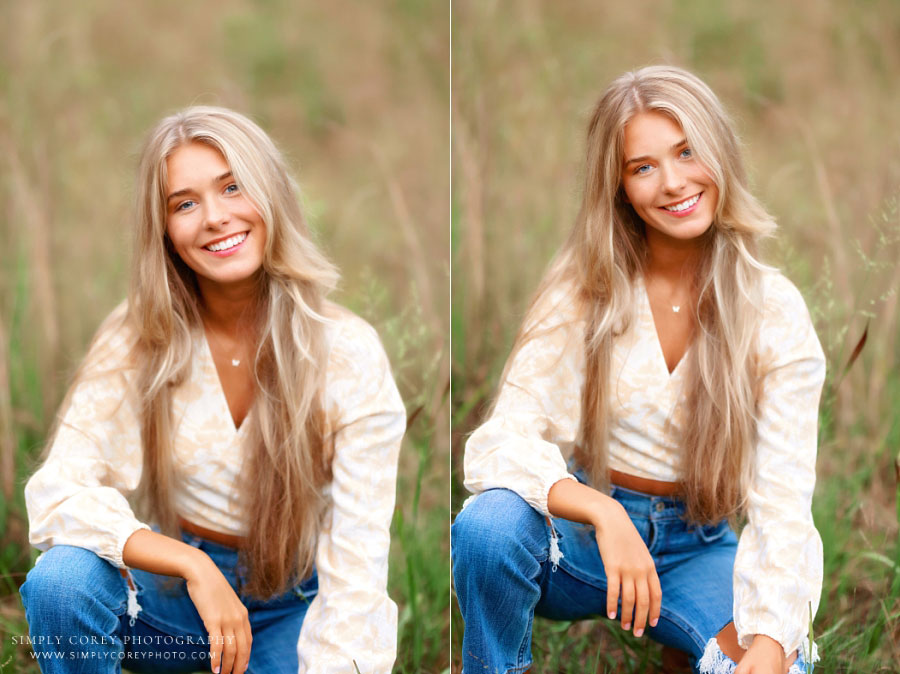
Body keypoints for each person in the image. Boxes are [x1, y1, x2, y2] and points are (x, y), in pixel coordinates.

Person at [452, 66, 824, 674]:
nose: (674, 182)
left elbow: (784, 503)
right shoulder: (585, 286)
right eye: (643, 166)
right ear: (619, 185)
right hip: (580, 536)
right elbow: (501, 441)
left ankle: (685, 643)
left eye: (687, 152)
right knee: (488, 529)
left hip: (694, 546)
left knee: (777, 665)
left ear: (719, 154)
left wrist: (771, 645)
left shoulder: (773, 309)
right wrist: (604, 513)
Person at [19, 106, 406, 674]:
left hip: (292, 606)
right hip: (168, 603)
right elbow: (57, 492)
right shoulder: (138, 335)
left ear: (270, 195)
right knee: (63, 581)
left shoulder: (347, 351)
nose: (215, 217)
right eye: (185, 203)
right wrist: (190, 566)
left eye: (233, 187)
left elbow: (359, 559)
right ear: (166, 231)